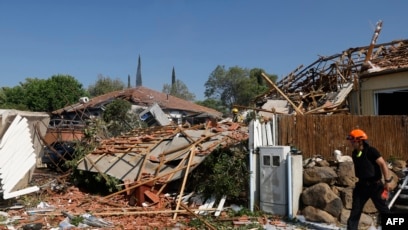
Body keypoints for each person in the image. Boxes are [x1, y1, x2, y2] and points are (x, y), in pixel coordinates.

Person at [346, 128, 392, 230]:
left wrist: (387, 181)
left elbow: (383, 164)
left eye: (353, 141)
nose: (351, 143)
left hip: (375, 186)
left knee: (383, 210)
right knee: (355, 211)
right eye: (351, 141)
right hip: (361, 186)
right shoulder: (355, 153)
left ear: (360, 141)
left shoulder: (371, 151)